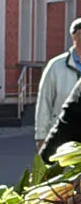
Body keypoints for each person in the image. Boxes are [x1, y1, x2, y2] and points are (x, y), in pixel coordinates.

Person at [36, 18, 81, 149]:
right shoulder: (56, 66)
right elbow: (45, 101)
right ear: (74, 37)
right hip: (61, 134)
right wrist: (41, 136)